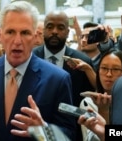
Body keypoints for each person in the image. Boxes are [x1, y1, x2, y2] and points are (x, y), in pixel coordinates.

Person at [0, 1, 76, 141]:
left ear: (35, 37)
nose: (17, 41)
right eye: (10, 32)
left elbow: (69, 134)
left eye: (25, 32)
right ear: (1, 35)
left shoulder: (57, 79)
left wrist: (44, 130)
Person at [32, 10, 94, 141]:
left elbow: (86, 101)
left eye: (60, 27)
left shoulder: (82, 62)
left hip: (71, 131)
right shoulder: (29, 58)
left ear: (67, 31)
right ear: (43, 30)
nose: (54, 31)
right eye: (50, 27)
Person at [79, 48, 122, 141]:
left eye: (115, 69)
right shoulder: (89, 103)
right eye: (104, 68)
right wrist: (103, 111)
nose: (109, 74)